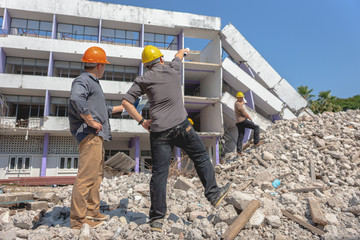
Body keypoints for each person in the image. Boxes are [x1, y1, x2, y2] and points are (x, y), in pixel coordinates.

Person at [122, 45, 232, 232]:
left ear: (147, 65)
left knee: (159, 174)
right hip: (182, 126)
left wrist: (142, 121)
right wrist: (185, 51)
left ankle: (156, 219)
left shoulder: (142, 80)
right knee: (200, 157)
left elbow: (125, 102)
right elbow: (179, 56)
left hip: (159, 132)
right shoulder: (173, 68)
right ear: (161, 59)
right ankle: (213, 194)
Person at [68, 46, 124, 229]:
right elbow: (76, 99)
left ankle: (92, 212)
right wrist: (90, 121)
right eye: (104, 65)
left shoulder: (92, 83)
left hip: (96, 136)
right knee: (86, 177)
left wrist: (122, 109)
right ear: (99, 65)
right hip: (90, 134)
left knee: (96, 176)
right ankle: (77, 219)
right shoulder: (83, 80)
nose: (105, 68)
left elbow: (103, 110)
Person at [234, 91, 263, 156]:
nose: (241, 98)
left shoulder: (236, 103)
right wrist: (250, 119)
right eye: (241, 98)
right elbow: (244, 113)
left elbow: (240, 104)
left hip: (238, 122)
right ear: (238, 97)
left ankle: (239, 152)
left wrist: (243, 102)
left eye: (242, 98)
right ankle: (256, 142)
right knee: (256, 127)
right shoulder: (238, 104)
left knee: (240, 136)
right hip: (242, 120)